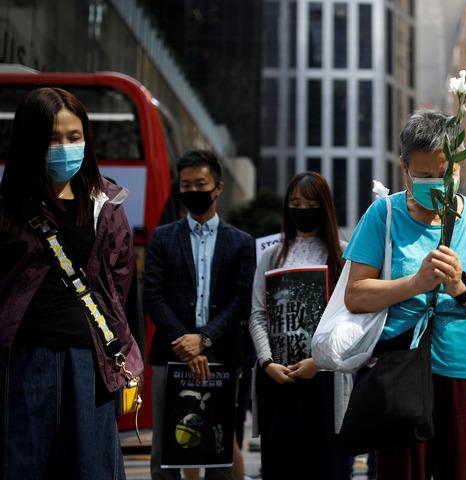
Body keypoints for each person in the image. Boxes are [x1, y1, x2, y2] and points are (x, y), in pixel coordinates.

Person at [344, 110, 466, 480]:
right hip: (402, 372)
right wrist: (415, 283)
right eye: (423, 176)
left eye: (445, 175)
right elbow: (356, 295)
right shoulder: (384, 214)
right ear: (404, 168)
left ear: (459, 167)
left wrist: (462, 289)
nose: (436, 184)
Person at [0, 87, 144, 478]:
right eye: (52, 139)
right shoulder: (8, 205)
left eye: (73, 137)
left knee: (91, 467)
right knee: (24, 465)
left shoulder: (105, 202)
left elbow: (119, 285)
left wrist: (129, 353)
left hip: (90, 358)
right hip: (26, 358)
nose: (64, 147)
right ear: (30, 142)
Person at [144, 150, 254, 480]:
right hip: (169, 356)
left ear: (217, 187)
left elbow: (241, 300)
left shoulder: (241, 242)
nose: (193, 190)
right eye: (186, 184)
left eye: (200, 183)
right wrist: (185, 343)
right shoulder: (162, 238)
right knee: (166, 449)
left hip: (221, 356)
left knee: (219, 444)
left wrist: (203, 340)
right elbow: (153, 296)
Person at [249, 172, 351, 479]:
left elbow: (351, 317)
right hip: (278, 379)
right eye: (294, 202)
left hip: (326, 380)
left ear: (324, 207)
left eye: (310, 202)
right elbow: (257, 314)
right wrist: (267, 363)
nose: (301, 209)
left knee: (327, 467)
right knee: (281, 466)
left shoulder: (344, 254)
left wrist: (318, 362)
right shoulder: (271, 256)